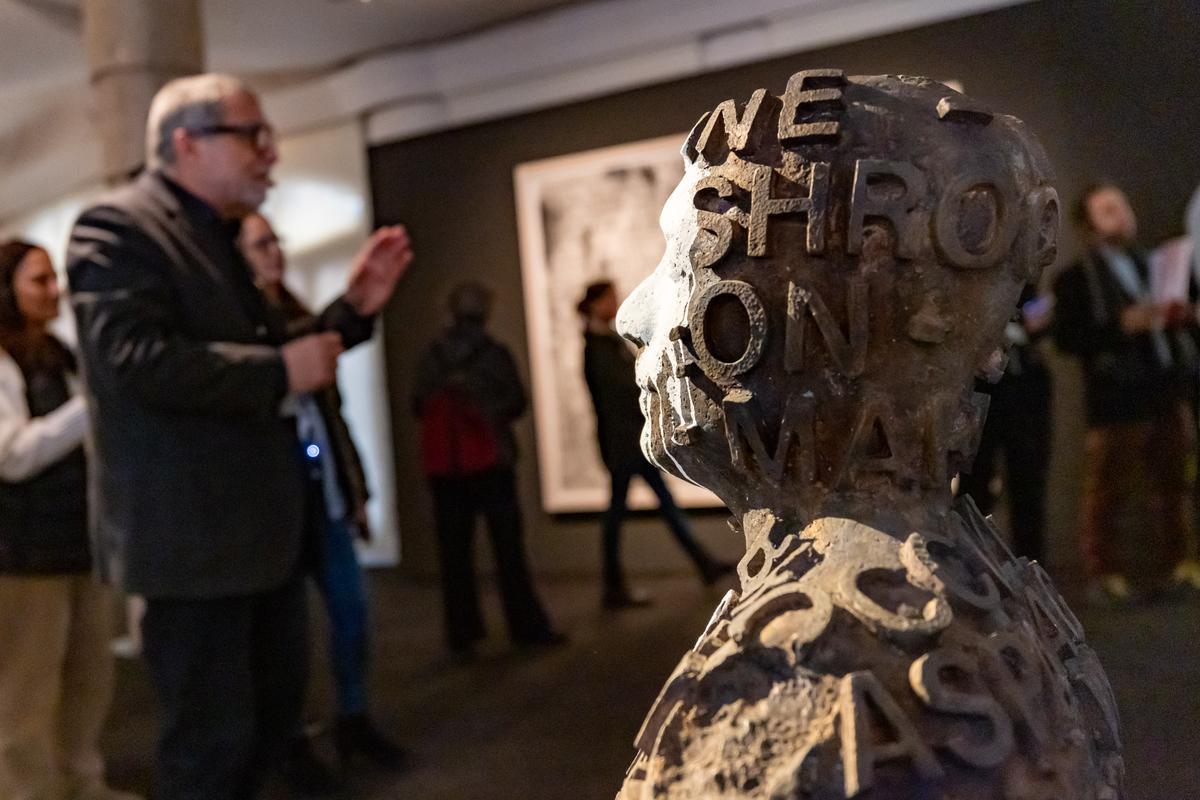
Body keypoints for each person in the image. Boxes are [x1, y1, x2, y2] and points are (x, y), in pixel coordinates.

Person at [66, 73, 413, 800]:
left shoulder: (214, 237)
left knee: (265, 735)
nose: (270, 153)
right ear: (185, 143)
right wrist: (279, 367)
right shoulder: (118, 227)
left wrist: (349, 312)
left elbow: (261, 349)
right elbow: (133, 361)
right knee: (209, 753)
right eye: (252, 135)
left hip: (258, 541)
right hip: (194, 548)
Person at [238, 212, 405, 777]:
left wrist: (354, 488)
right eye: (261, 244)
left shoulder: (291, 311)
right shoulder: (240, 324)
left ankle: (353, 721)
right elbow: (287, 354)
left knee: (351, 614)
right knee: (284, 637)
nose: (274, 252)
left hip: (322, 495)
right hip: (271, 505)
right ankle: (289, 742)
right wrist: (351, 308)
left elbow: (333, 415)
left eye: (275, 240)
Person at [0, 241, 141, 800]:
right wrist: (90, 407)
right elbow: (12, 456)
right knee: (27, 690)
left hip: (82, 541)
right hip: (24, 551)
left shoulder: (59, 354)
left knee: (88, 678)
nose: (54, 290)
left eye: (53, 278)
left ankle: (82, 783)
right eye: (39, 280)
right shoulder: (4, 361)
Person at [1052, 182, 1194, 604]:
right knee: (1108, 490)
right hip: (1117, 400)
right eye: (1109, 210)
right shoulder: (1075, 279)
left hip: (1164, 389)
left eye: (1122, 205)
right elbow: (1067, 339)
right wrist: (1120, 325)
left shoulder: (1153, 264)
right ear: (1089, 226)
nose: (1122, 215)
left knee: (1174, 483)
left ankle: (1180, 566)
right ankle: (1105, 572)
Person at [413, 281, 563, 658]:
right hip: (492, 464)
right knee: (508, 550)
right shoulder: (494, 354)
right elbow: (515, 402)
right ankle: (526, 626)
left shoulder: (432, 355)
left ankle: (462, 634)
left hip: (447, 469)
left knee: (454, 555)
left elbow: (417, 404)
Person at [576, 281, 732, 608]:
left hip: (628, 441)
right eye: (610, 299)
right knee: (629, 511)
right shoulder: (597, 347)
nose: (616, 304)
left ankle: (700, 564)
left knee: (651, 506)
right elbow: (618, 393)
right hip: (623, 444)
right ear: (596, 304)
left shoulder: (604, 343)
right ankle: (616, 585)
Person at [957, 286, 1054, 563]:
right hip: (983, 391)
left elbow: (1038, 320)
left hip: (1024, 392)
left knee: (1028, 482)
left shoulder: (1022, 282)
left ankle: (1032, 564)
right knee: (975, 483)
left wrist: (1035, 325)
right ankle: (970, 562)